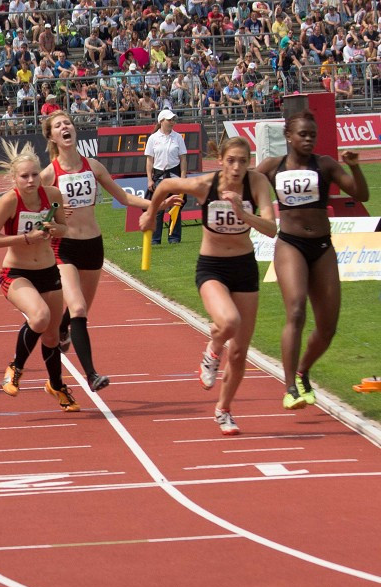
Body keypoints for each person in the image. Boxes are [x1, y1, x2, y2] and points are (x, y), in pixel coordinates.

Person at [141, 138, 277, 435]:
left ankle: (223, 410)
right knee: (228, 321)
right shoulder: (205, 185)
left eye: (243, 161)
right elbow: (164, 187)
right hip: (212, 267)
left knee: (240, 352)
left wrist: (244, 214)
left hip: (244, 268)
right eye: (231, 160)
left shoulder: (257, 184)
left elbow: (271, 227)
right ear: (221, 161)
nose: (237, 167)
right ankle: (213, 350)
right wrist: (151, 215)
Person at [256, 110, 369, 409]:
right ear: (288, 137)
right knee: (295, 312)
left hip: (322, 247)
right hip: (290, 244)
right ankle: (290, 386)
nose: (308, 139)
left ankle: (304, 371)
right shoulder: (271, 166)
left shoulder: (326, 164)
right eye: (302, 134)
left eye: (312, 135)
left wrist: (355, 167)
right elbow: (243, 185)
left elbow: (362, 195)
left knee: (328, 326)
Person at [41, 110, 156, 392]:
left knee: (80, 312)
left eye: (67, 122)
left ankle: (64, 328)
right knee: (78, 306)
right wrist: (54, 210)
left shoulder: (93, 166)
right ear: (52, 137)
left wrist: (157, 205)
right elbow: (35, 215)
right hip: (64, 247)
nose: (65, 127)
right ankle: (91, 375)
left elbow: (124, 196)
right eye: (58, 125)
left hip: (93, 245)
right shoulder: (47, 175)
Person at [0, 141, 78, 412]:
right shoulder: (9, 201)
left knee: (52, 337)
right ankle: (15, 368)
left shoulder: (53, 194)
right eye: (24, 176)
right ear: (14, 178)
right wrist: (26, 237)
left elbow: (64, 228)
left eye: (35, 174)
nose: (31, 180)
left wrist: (52, 228)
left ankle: (57, 387)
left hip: (48, 271)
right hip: (17, 272)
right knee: (39, 316)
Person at [145, 109, 188, 245]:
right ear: (161, 121)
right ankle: (155, 239)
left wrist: (183, 177)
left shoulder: (178, 137)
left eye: (173, 120)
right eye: (169, 120)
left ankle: (174, 238)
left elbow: (183, 159)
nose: (172, 122)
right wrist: (149, 179)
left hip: (175, 175)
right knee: (158, 208)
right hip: (159, 176)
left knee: (175, 207)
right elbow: (149, 161)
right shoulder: (153, 138)